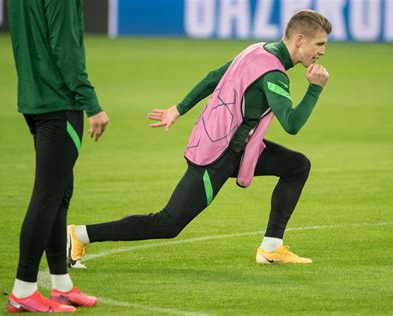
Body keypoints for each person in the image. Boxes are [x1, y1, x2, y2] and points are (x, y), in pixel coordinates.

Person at [68, 10, 331, 268]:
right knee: (168, 223)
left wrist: (178, 108)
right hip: (218, 154)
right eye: (319, 44)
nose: (322, 51)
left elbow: (214, 77)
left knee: (296, 165)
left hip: (234, 146)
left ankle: (271, 248)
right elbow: (292, 124)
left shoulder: (256, 50)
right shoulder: (274, 74)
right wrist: (314, 90)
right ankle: (79, 235)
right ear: (299, 39)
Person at [6, 0, 109, 313]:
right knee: (48, 196)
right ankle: (23, 289)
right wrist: (91, 104)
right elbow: (66, 49)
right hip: (58, 102)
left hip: (33, 97)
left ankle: (61, 285)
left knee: (59, 193)